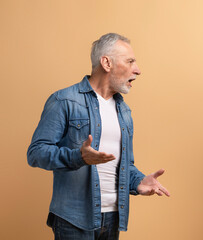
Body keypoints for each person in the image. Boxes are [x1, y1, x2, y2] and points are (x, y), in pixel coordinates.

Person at [27, 33, 170, 239]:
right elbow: (36, 153)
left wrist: (138, 182)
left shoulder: (124, 112)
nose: (137, 70)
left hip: (113, 217)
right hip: (73, 219)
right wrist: (79, 157)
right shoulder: (64, 100)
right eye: (130, 61)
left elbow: (125, 165)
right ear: (106, 63)